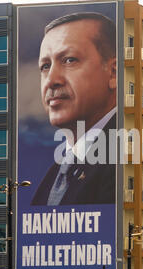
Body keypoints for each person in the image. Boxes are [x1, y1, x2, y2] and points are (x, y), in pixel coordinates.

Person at [31, 12, 117, 206]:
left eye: (69, 60)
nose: (52, 80)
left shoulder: (125, 159)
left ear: (113, 73)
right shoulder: (58, 171)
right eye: (45, 66)